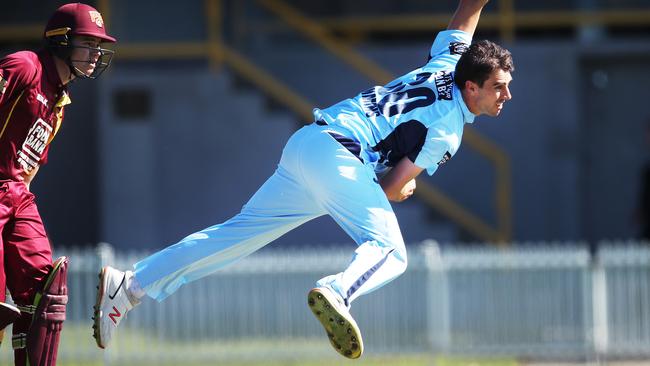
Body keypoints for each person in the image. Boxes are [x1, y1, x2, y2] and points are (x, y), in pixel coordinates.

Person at [93, 0, 512, 359]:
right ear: (471, 87)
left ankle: (129, 287)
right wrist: (406, 186)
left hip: (308, 143)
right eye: (498, 88)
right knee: (390, 252)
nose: (505, 96)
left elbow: (467, 12)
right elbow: (390, 188)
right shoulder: (449, 128)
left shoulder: (452, 60)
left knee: (233, 236)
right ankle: (338, 291)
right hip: (341, 160)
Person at [0, 3, 116, 365]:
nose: (96, 55)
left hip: (17, 195)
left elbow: (28, 168)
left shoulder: (59, 102)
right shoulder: (24, 67)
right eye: (88, 44)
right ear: (62, 41)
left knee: (46, 296)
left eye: (99, 47)